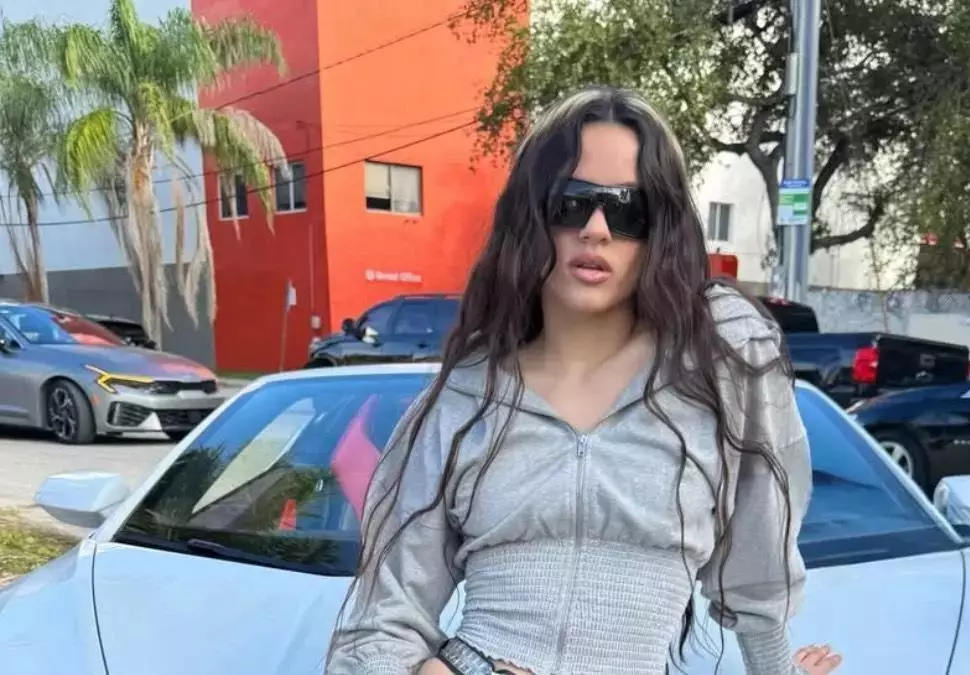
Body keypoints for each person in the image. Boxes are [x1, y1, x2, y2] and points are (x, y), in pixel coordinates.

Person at [325, 86, 842, 675]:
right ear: (531, 215)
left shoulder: (719, 369)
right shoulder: (464, 401)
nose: (596, 229)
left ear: (661, 230)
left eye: (628, 210)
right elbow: (381, 619)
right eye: (571, 203)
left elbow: (759, 563)